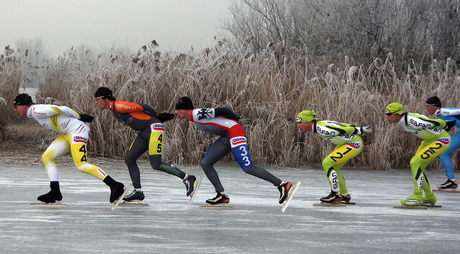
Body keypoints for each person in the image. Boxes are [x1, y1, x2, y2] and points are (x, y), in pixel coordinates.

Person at [174, 97, 292, 205]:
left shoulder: (196, 114)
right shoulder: (193, 118)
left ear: (184, 109)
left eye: (177, 110)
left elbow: (224, 110)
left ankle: (281, 184)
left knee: (248, 167)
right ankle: (221, 195)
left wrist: (237, 120)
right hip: (226, 136)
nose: (176, 113)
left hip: (235, 131)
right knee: (206, 163)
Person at [13, 93, 125, 204]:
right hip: (68, 133)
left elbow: (64, 109)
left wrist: (80, 116)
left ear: (24, 106)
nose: (15, 110)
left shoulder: (37, 110)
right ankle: (55, 192)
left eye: (15, 107)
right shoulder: (34, 113)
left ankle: (115, 185)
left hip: (78, 131)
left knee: (82, 166)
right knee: (47, 157)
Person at [94, 87, 196, 202]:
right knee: (130, 158)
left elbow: (144, 107)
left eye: (97, 99)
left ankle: (187, 178)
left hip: (154, 128)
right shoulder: (114, 111)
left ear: (105, 99)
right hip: (145, 131)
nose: (96, 102)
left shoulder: (119, 106)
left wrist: (158, 116)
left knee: (156, 164)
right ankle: (138, 192)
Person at [296, 110, 373, 204]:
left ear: (308, 122)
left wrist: (359, 130)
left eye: (300, 122)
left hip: (353, 144)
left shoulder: (322, 129)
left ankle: (335, 194)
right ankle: (344, 195)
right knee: (334, 168)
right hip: (345, 143)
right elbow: (342, 125)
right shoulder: (320, 125)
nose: (298, 126)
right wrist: (357, 129)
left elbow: (342, 129)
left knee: (327, 163)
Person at [385, 102, 455, 205]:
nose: (387, 116)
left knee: (415, 162)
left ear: (398, 114)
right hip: (429, 140)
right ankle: (430, 197)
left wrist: (446, 125)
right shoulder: (402, 120)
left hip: (441, 140)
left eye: (389, 114)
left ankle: (417, 196)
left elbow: (430, 121)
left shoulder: (411, 121)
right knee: (417, 166)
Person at [425, 96, 460, 189]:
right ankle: (451, 181)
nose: (426, 108)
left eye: (428, 106)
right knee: (443, 151)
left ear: (435, 106)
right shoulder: (438, 115)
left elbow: (458, 111)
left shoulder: (443, 111)